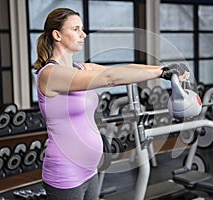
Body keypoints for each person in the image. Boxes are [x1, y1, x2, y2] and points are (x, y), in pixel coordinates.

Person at [34, 7, 190, 200]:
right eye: (75, 29)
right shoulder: (50, 74)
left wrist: (166, 69)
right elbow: (110, 78)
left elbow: (122, 69)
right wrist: (159, 73)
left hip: (89, 170)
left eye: (82, 28)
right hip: (65, 173)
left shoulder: (81, 67)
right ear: (57, 35)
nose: (83, 34)